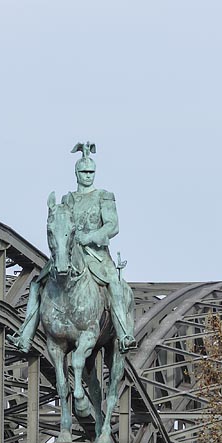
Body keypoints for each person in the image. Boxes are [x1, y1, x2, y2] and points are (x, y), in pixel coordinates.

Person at [17, 142, 136, 354]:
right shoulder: (67, 199)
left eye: (91, 172)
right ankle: (25, 334)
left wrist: (89, 236)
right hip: (69, 254)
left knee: (116, 286)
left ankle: (124, 333)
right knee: (38, 285)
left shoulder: (104, 196)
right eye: (83, 172)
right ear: (77, 173)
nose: (87, 175)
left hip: (96, 256)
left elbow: (112, 225)